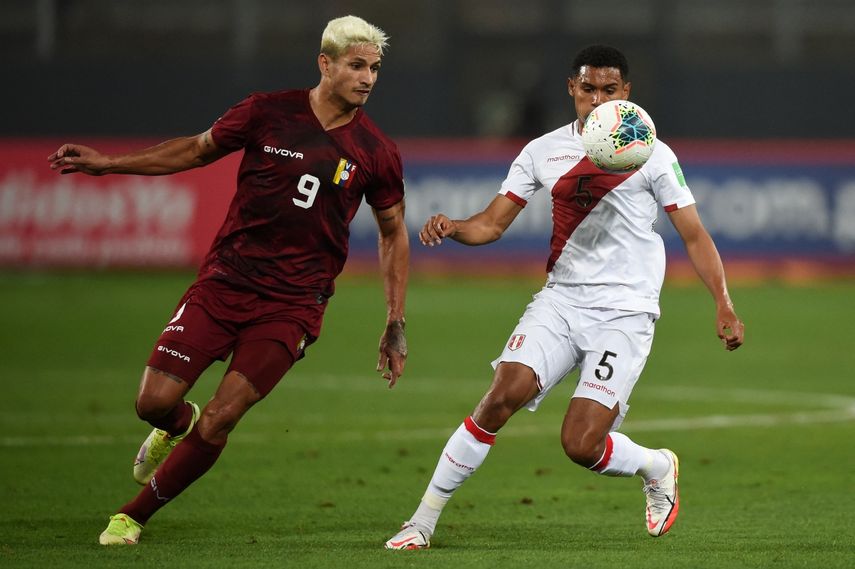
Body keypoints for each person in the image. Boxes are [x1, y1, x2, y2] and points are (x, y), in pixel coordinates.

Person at [48, 15, 409, 546]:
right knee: (152, 403)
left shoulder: (376, 151)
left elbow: (393, 232)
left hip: (292, 304)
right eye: (357, 66)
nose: (368, 78)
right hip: (225, 282)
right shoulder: (267, 112)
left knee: (221, 417)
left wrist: (395, 320)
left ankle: (131, 517)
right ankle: (176, 424)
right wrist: (109, 164)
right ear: (325, 63)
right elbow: (196, 149)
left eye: (374, 68)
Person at [384, 44, 744, 550]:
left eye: (609, 90)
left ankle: (656, 466)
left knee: (580, 443)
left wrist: (723, 302)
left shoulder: (651, 153)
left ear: (626, 93)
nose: (597, 99)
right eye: (588, 88)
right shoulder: (542, 151)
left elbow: (695, 235)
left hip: (625, 312)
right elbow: (492, 223)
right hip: (562, 301)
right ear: (572, 88)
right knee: (499, 397)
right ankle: (421, 522)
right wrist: (454, 227)